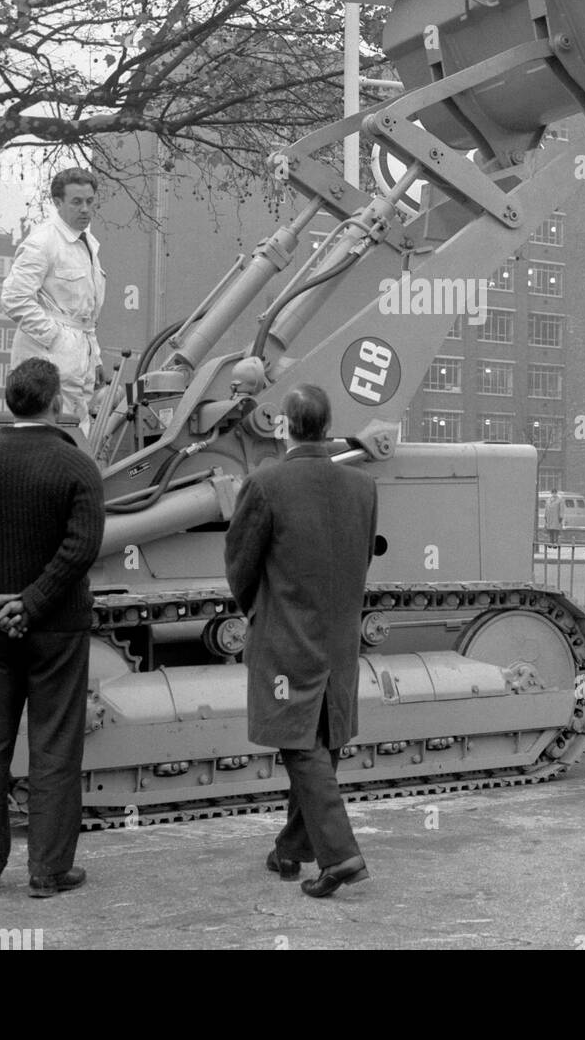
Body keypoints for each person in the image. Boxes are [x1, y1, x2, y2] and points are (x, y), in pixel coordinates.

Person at [0, 358, 105, 899]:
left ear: (10, 404)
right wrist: (33, 603)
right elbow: (80, 549)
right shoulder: (77, 468)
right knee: (54, 748)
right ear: (56, 403)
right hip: (57, 634)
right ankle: (49, 873)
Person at [224, 384, 377, 899]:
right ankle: (292, 850)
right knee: (323, 739)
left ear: (284, 426)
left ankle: (341, 856)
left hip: (287, 635)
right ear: (329, 425)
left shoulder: (265, 483)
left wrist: (253, 610)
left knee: (299, 744)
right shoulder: (362, 487)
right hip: (338, 639)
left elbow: (240, 563)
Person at [1, 169, 106, 427]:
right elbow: (14, 298)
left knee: (77, 430)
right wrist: (56, 338)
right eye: (76, 202)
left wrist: (97, 357)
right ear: (58, 203)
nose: (85, 209)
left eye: (90, 201)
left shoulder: (88, 244)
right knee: (47, 432)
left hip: (80, 356)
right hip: (47, 360)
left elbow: (84, 312)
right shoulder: (43, 242)